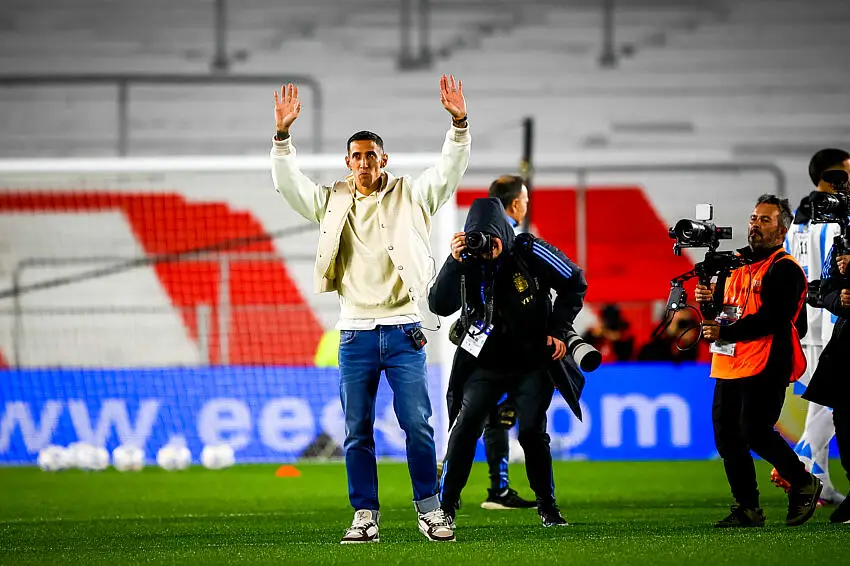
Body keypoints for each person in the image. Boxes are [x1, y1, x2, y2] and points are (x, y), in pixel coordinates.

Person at [270, 75, 470, 543]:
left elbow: (449, 170)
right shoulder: (331, 202)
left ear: (384, 160)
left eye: (371, 156)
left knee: (418, 426)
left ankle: (430, 509)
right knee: (356, 431)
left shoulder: (412, 196)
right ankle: (365, 515)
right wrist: (282, 138)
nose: (363, 163)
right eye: (356, 156)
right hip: (355, 333)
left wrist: (459, 124)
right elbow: (288, 184)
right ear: (347, 163)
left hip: (404, 330)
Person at [429, 197, 590, 531]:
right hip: (484, 364)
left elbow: (575, 281)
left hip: (532, 362)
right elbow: (438, 304)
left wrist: (558, 329)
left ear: (503, 231)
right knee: (465, 426)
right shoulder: (468, 261)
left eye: (492, 239)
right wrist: (455, 261)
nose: (488, 248)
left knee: (532, 432)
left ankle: (548, 506)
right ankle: (445, 507)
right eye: (479, 240)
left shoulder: (530, 250)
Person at [697, 194, 823, 528]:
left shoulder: (786, 269)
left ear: (782, 230)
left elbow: (774, 319)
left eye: (765, 220)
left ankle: (803, 481)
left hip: (768, 359)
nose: (755, 225)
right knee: (727, 437)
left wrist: (727, 332)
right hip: (730, 359)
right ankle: (748, 508)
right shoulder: (733, 263)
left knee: (753, 430)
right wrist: (706, 302)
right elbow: (720, 313)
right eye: (754, 218)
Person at [770, 149, 850, 506]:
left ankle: (821, 482)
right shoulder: (839, 221)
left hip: (804, 326)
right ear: (834, 179)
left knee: (825, 403)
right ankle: (801, 460)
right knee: (835, 403)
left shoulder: (797, 221)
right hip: (835, 322)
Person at [477, 175, 535, 510]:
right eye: (524, 199)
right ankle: (495, 490)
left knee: (488, 415)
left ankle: (494, 489)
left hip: (480, 339)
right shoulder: (513, 239)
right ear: (515, 204)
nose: (526, 205)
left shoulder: (480, 237)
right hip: (504, 343)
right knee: (491, 416)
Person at [802, 239, 850, 523]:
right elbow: (826, 288)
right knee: (845, 425)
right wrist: (841, 300)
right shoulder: (843, 239)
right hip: (845, 346)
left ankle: (801, 463)